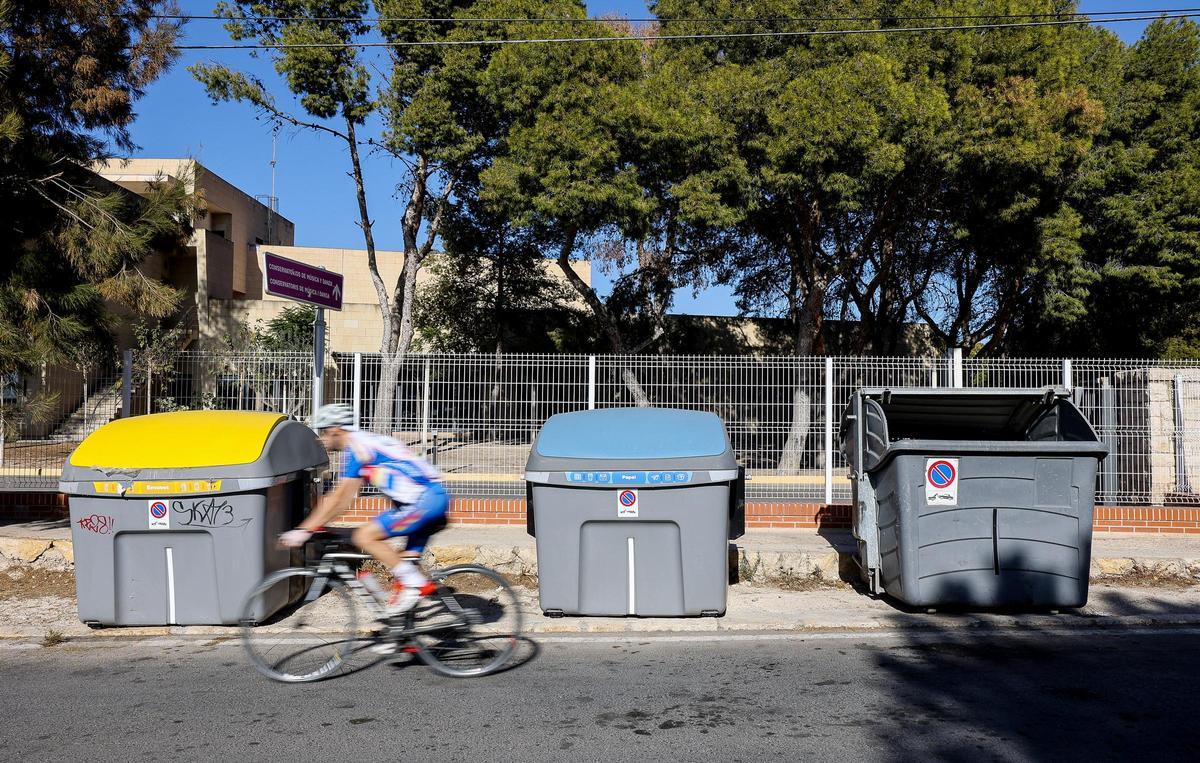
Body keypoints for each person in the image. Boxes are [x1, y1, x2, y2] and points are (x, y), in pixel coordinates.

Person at [279, 403, 449, 614]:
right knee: (402, 569)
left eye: (323, 432)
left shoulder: (356, 448)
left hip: (425, 502)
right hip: (427, 499)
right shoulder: (365, 443)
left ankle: (415, 584)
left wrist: (304, 530)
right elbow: (348, 499)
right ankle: (402, 641)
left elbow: (340, 499)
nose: (320, 438)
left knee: (364, 537)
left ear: (335, 430)